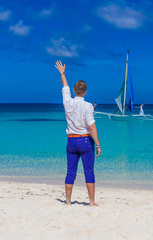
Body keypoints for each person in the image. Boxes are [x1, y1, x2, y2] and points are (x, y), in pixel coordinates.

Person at [55, 60, 101, 206]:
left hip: (71, 141)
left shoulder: (67, 102)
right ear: (86, 92)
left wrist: (62, 73)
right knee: (88, 171)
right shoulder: (88, 106)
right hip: (85, 141)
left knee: (71, 172)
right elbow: (91, 126)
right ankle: (92, 202)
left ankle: (68, 202)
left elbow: (65, 87)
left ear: (75, 91)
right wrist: (98, 145)